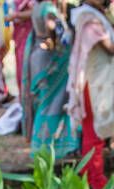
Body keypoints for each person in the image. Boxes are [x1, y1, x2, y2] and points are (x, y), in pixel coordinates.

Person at [68, 0, 114, 189]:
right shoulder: (89, 20)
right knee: (94, 134)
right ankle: (96, 182)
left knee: (93, 133)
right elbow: (111, 47)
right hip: (94, 84)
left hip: (97, 82)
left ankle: (88, 178)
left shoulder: (91, 16)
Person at [21, 0, 76, 160]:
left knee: (43, 103)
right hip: (50, 59)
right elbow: (50, 24)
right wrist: (52, 39)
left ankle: (41, 145)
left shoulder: (37, 6)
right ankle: (53, 146)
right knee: (53, 103)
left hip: (38, 55)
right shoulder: (47, 7)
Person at [10, 0, 35, 99]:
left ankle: (28, 100)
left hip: (29, 35)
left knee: (25, 68)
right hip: (19, 35)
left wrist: (15, 15)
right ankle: (23, 100)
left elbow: (35, 11)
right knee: (20, 68)